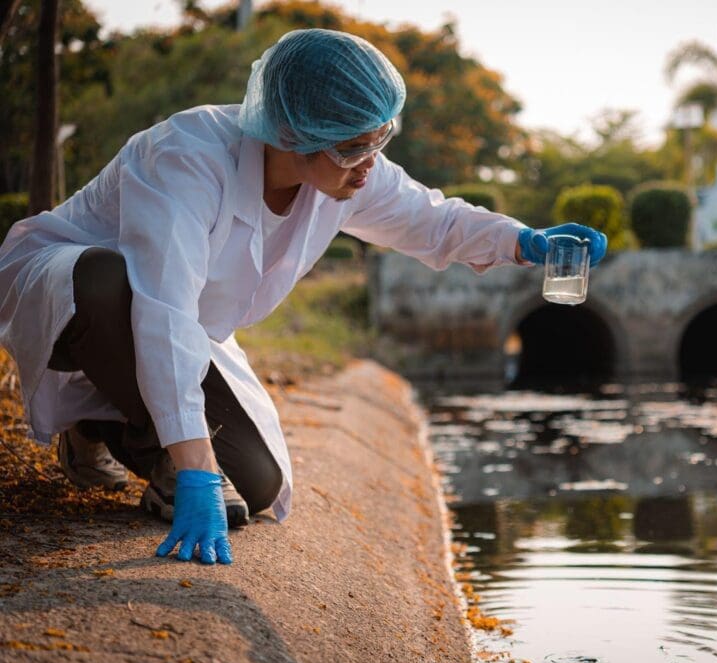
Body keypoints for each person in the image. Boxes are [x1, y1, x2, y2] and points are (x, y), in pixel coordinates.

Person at [0, 29, 607, 565]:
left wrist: (525, 242)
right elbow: (161, 311)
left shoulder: (345, 168)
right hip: (76, 297)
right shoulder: (186, 159)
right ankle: (123, 428)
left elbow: (434, 221)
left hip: (179, 334)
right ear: (291, 132)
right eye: (352, 146)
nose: (368, 163)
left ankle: (100, 427)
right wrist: (195, 473)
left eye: (379, 140)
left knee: (258, 486)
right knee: (108, 282)